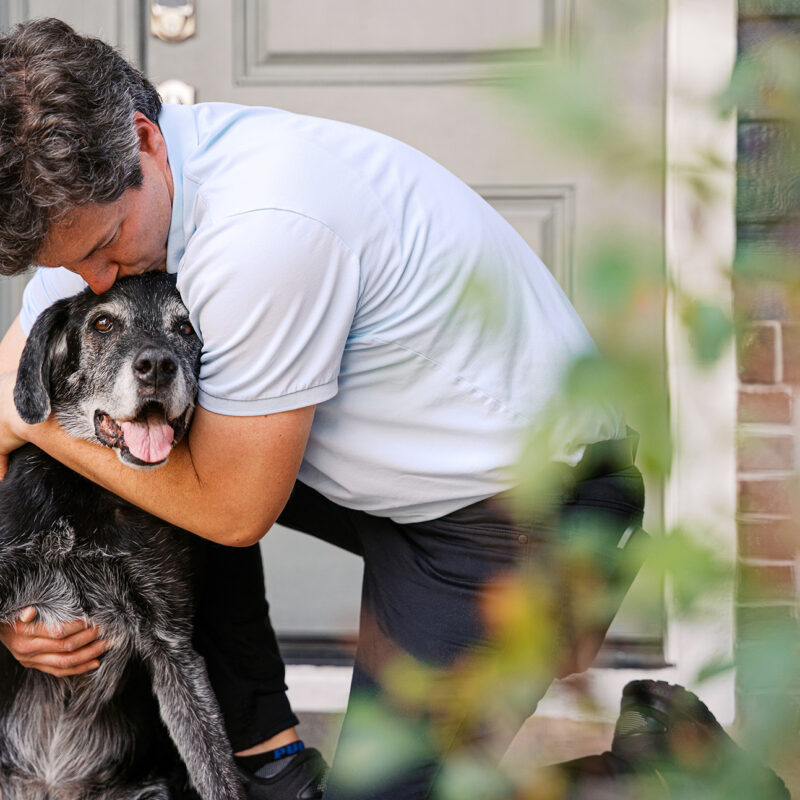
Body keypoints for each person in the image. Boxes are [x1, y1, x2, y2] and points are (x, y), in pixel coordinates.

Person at [0, 18, 789, 800]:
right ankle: (271, 760)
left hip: (527, 505)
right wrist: (17, 616)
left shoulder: (265, 228)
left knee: (149, 457)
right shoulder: (105, 221)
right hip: (399, 477)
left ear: (144, 139)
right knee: (138, 431)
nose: (96, 280)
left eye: (104, 246)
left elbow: (229, 507)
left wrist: (34, 423)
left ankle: (667, 768)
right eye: (70, 265)